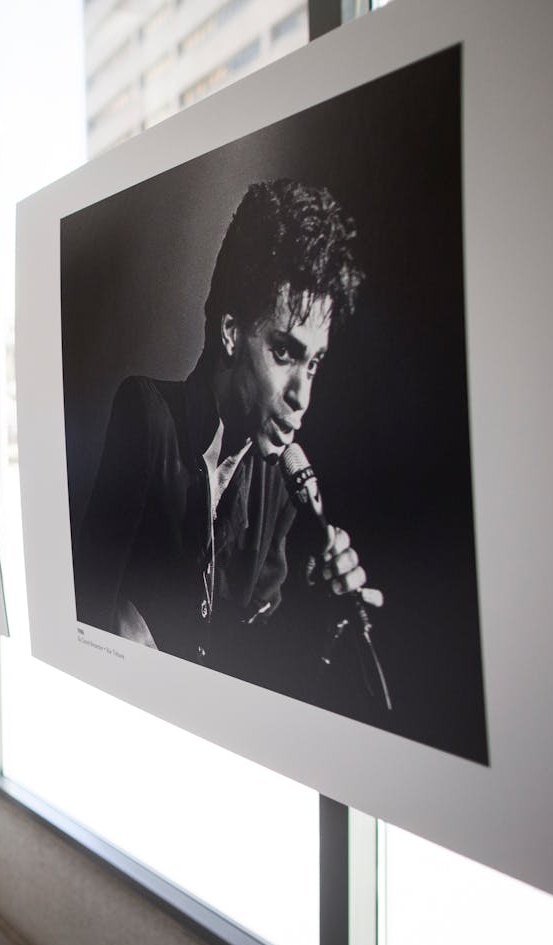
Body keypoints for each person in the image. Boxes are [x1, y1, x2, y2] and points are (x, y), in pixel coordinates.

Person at [77, 178, 383, 697]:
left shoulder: (280, 484)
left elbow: (253, 663)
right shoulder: (147, 416)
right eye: (284, 354)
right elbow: (85, 607)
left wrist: (320, 608)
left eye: (314, 364)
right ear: (229, 333)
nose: (301, 395)